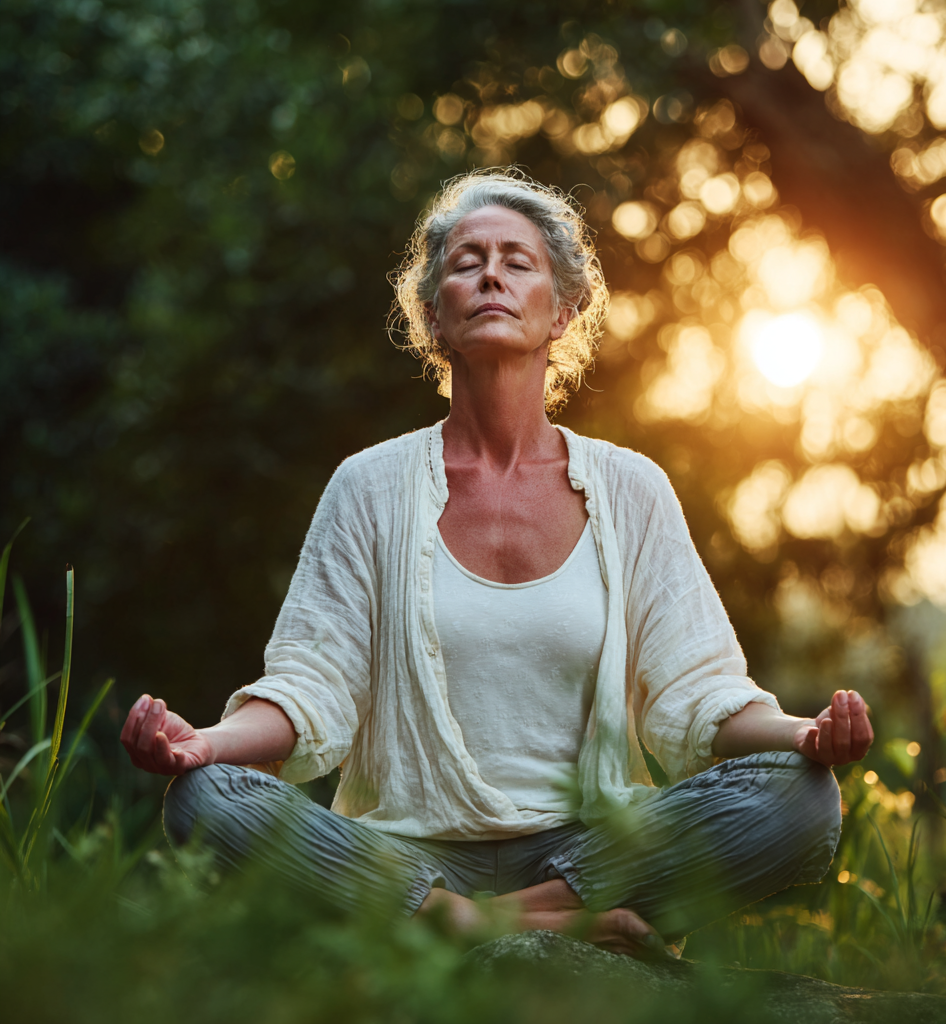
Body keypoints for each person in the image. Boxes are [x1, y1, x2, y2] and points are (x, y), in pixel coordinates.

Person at [121, 170, 873, 957]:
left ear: (565, 309)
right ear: (434, 316)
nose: (490, 274)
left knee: (801, 796)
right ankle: (488, 921)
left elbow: (702, 693)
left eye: (518, 261)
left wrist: (804, 733)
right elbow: (311, 687)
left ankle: (504, 917)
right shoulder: (368, 487)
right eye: (466, 261)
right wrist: (203, 742)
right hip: (406, 859)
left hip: (591, 853)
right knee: (205, 799)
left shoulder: (631, 490)